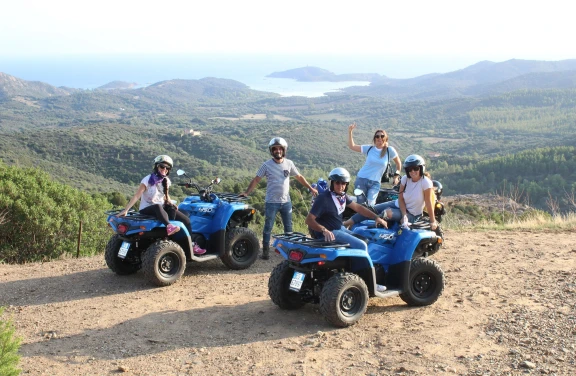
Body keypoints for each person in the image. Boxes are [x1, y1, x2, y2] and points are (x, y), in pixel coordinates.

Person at [239, 137, 318, 260]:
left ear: (284, 150)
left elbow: (299, 177)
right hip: (271, 202)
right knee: (268, 227)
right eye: (275, 149)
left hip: (286, 202)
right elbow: (256, 179)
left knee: (289, 228)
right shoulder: (266, 165)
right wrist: (247, 192)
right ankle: (265, 251)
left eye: (280, 149)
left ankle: (290, 252)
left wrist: (311, 188)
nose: (278, 151)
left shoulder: (289, 163)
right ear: (271, 151)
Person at [117, 155, 206, 255]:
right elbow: (137, 196)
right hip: (147, 208)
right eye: (162, 166)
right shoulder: (147, 180)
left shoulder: (166, 181)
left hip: (161, 208)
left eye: (167, 168)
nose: (164, 169)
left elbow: (165, 197)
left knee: (186, 220)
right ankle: (169, 226)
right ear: (156, 166)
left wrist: (171, 203)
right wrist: (126, 209)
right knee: (157, 206)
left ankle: (191, 245)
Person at [343, 155, 438, 232]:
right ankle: (345, 224)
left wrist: (432, 221)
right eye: (410, 169)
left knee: (386, 213)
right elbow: (401, 198)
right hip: (399, 205)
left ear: (421, 168)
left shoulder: (426, 182)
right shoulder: (405, 179)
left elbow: (428, 202)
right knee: (370, 209)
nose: (412, 171)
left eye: (415, 168)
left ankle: (368, 231)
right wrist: (404, 214)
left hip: (412, 214)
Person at [305, 167, 388, 253]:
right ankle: (366, 267)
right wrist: (324, 230)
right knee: (361, 245)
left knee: (365, 240)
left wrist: (376, 217)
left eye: (343, 183)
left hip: (339, 228)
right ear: (332, 183)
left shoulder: (342, 197)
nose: (340, 186)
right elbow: (308, 220)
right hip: (329, 233)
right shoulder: (323, 198)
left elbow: (358, 208)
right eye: (337, 183)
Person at [347, 123, 402, 205]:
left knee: (371, 205)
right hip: (362, 179)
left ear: (385, 138)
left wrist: (396, 176)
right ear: (374, 139)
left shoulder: (389, 150)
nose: (379, 138)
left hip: (375, 183)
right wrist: (350, 132)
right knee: (361, 204)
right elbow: (352, 146)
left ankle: (351, 199)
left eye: (382, 136)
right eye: (377, 136)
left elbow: (398, 164)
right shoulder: (369, 148)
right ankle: (352, 201)